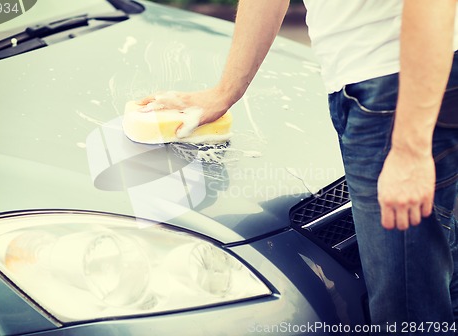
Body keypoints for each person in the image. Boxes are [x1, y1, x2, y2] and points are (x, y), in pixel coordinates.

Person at [139, 0, 458, 333]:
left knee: (407, 313)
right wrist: (225, 91)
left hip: (395, 86)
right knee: (437, 273)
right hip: (386, 83)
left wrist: (409, 147)